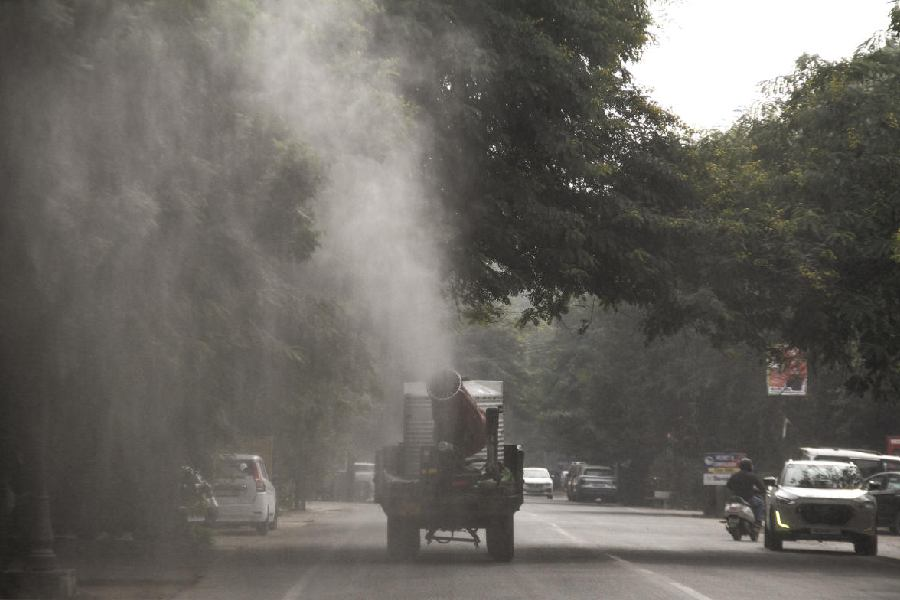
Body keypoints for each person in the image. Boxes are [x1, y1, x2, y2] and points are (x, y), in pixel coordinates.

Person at [726, 457, 767, 523]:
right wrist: (759, 491)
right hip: (748, 498)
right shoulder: (752, 476)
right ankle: (758, 521)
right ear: (749, 466)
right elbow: (761, 488)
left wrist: (736, 489)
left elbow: (728, 485)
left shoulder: (734, 475)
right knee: (760, 503)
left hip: (736, 498)